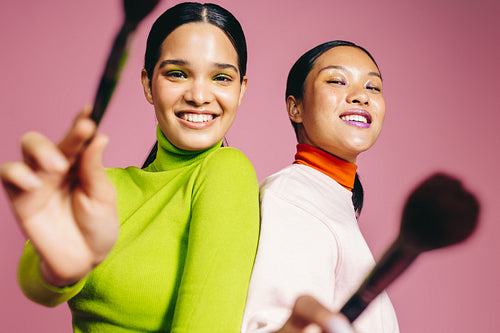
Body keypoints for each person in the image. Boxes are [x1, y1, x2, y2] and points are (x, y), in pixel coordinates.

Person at [0, 3, 260, 332]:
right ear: (149, 84)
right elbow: (36, 285)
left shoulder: (227, 170)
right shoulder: (100, 190)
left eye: (221, 78)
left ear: (241, 91)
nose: (198, 95)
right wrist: (58, 269)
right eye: (177, 73)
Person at [241, 41, 400, 333]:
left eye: (373, 87)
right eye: (337, 81)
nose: (360, 97)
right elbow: (275, 323)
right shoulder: (293, 198)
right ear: (295, 107)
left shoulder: (329, 196)